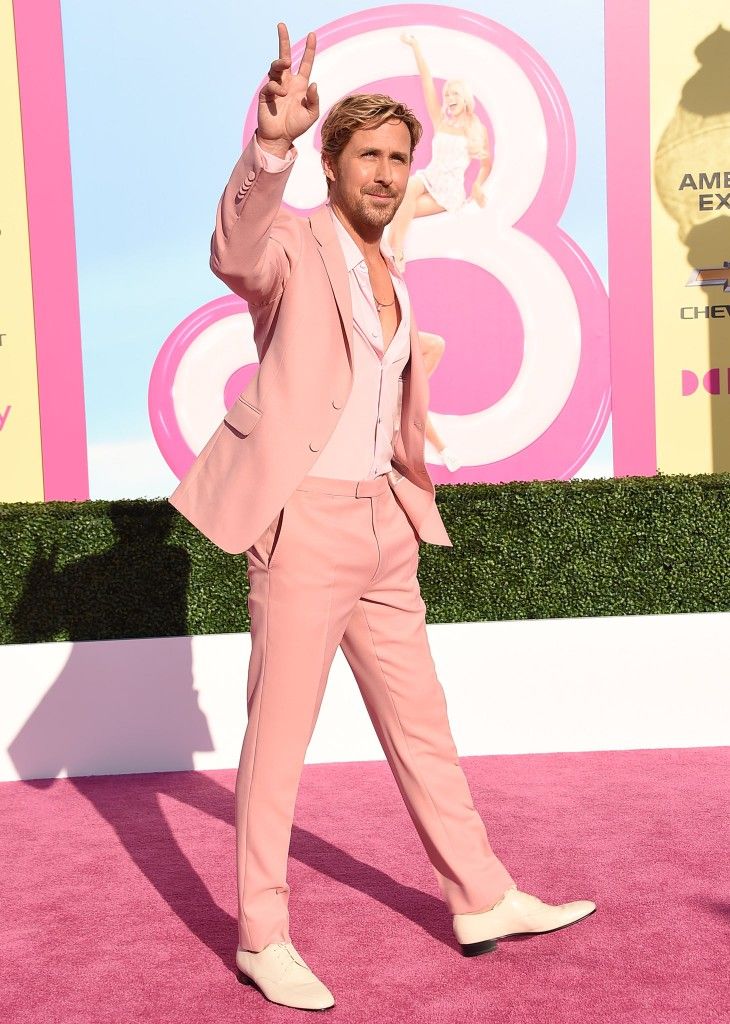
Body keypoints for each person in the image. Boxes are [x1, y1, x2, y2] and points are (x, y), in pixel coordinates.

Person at [169, 21, 596, 1013]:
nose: (387, 172)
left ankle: (481, 896)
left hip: (383, 529)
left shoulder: (391, 276)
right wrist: (269, 145)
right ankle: (261, 936)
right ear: (332, 162)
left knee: (424, 731)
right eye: (368, 154)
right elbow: (233, 250)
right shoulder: (290, 244)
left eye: (400, 158)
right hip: (305, 525)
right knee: (279, 746)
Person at [386, 32, 493, 274]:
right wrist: (416, 47)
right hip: (428, 178)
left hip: (448, 192)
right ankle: (396, 253)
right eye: (447, 94)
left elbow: (486, 164)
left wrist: (477, 186)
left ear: (464, 97)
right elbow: (426, 83)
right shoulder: (441, 122)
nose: (449, 98)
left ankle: (391, 256)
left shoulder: (477, 129)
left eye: (454, 93)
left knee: (401, 205)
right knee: (407, 188)